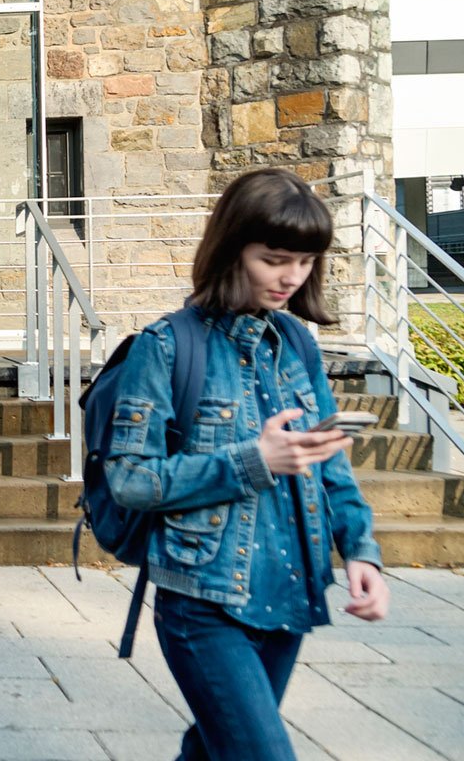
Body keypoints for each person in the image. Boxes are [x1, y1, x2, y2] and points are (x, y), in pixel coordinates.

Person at [105, 168, 387, 760]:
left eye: (306, 262)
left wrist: (361, 550)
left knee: (214, 751)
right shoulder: (166, 346)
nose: (292, 277)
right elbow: (130, 480)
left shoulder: (298, 345)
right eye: (275, 258)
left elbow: (330, 468)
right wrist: (252, 460)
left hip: (292, 593)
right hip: (204, 602)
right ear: (232, 248)